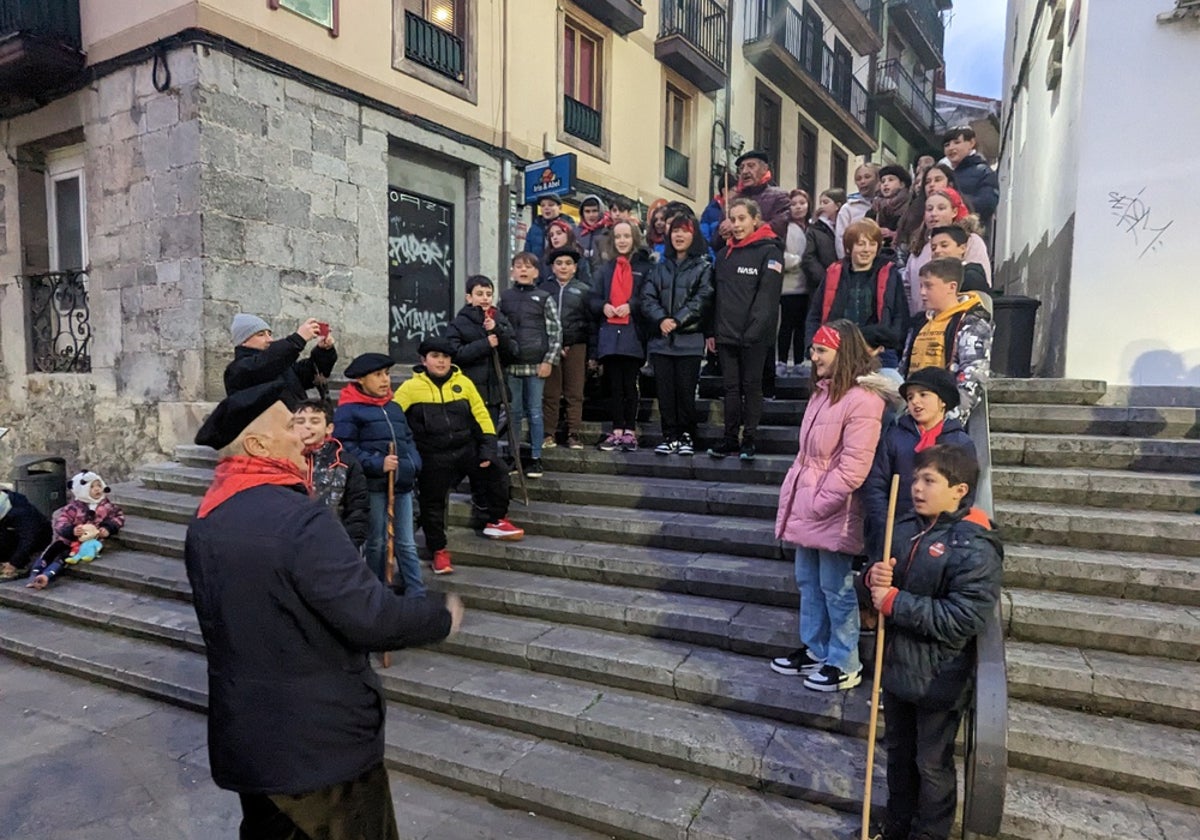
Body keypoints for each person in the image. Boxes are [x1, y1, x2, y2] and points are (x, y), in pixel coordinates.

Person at [185, 380, 463, 840]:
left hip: (250, 743)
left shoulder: (209, 518)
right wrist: (440, 614)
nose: (304, 437)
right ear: (257, 444)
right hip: (320, 751)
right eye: (292, 427)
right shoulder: (300, 518)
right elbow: (371, 617)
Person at [864, 444, 1002, 840]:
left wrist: (895, 601)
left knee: (931, 764)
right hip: (897, 669)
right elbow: (875, 591)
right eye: (915, 478)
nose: (917, 488)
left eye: (929, 480)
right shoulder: (905, 528)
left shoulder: (973, 544)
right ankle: (896, 827)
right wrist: (872, 581)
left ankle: (930, 835)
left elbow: (964, 616)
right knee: (899, 758)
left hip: (938, 677)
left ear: (959, 490)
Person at [772, 321, 896, 691]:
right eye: (813, 350)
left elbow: (854, 466)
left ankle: (845, 660)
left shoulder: (864, 400)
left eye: (820, 350)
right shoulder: (823, 394)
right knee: (808, 581)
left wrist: (820, 502)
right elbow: (807, 456)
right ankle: (816, 649)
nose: (813, 357)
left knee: (835, 586)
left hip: (833, 509)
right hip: (809, 503)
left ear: (842, 353)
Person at [396, 336, 525, 574]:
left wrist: (487, 447)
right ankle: (439, 551)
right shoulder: (409, 389)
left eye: (445, 357)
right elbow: (394, 421)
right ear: (424, 360)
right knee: (432, 503)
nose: (441, 362)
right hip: (432, 455)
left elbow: (482, 416)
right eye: (435, 357)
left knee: (496, 470)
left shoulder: (464, 383)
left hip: (465, 449)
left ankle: (495, 519)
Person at [862, 366, 975, 562]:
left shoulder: (960, 443)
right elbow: (876, 484)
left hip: (940, 538)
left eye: (923, 395)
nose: (916, 402)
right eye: (911, 397)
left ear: (943, 401)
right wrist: (885, 524)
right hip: (893, 531)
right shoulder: (894, 436)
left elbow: (966, 496)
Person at [333, 354, 425, 585]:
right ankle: (375, 587)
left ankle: (416, 590)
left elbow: (407, 438)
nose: (385, 380)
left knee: (406, 542)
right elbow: (345, 448)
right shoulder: (349, 411)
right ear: (361, 380)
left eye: (387, 374)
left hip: (401, 483)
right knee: (376, 541)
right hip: (373, 486)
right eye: (378, 375)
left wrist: (412, 463)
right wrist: (377, 463)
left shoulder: (393, 408)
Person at [707, 197, 783, 461]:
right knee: (730, 389)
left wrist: (753, 332)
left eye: (742, 219)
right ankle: (729, 438)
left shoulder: (770, 251)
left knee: (751, 387)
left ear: (755, 220)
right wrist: (712, 331)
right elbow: (715, 296)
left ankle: (749, 439)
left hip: (753, 337)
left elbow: (767, 298)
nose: (737, 225)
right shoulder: (724, 254)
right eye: (733, 219)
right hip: (725, 334)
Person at [642, 214, 714, 457]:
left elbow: (703, 299)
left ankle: (686, 435)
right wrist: (661, 319)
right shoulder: (658, 267)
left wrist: (677, 320)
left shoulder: (703, 267)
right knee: (665, 393)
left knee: (685, 392)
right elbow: (647, 297)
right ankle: (669, 435)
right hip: (662, 342)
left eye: (684, 231)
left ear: (693, 235)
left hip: (689, 341)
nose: (679, 236)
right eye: (675, 231)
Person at [805, 218, 908, 370]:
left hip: (879, 351)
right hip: (838, 350)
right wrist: (812, 346)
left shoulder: (890, 273)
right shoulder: (834, 273)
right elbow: (815, 314)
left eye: (872, 244)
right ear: (849, 247)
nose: (867, 250)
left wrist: (889, 341)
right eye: (860, 244)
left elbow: (900, 315)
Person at [901, 259, 994, 425]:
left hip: (944, 415)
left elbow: (973, 375)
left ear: (952, 287)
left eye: (929, 286)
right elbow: (904, 366)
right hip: (913, 412)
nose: (922, 292)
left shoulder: (972, 321)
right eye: (921, 286)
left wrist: (952, 417)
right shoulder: (919, 322)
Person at [589, 219, 653, 452]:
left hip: (632, 332)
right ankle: (616, 429)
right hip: (610, 331)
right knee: (613, 384)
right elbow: (593, 298)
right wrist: (604, 306)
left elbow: (648, 296)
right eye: (618, 237)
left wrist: (631, 305)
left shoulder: (644, 267)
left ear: (634, 238)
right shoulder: (605, 269)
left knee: (630, 383)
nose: (622, 241)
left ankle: (630, 429)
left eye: (626, 236)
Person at [499, 252, 561, 479]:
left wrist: (548, 360)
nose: (523, 270)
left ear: (536, 272)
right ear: (512, 271)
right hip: (512, 364)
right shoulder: (505, 298)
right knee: (513, 413)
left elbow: (556, 333)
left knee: (535, 412)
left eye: (528, 267)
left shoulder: (544, 298)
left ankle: (536, 458)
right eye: (518, 266)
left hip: (536, 364)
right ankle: (513, 457)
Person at [26, 471, 125, 591]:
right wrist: (72, 530)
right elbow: (61, 522)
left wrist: (109, 527)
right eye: (92, 487)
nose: (97, 489)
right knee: (51, 550)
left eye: (99, 485)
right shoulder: (74, 507)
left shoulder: (106, 505)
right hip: (68, 539)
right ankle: (34, 574)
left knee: (63, 557)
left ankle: (46, 576)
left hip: (84, 543)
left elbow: (118, 517)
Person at [294, 398, 370, 551]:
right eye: (300, 421)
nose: (306, 426)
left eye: (314, 421)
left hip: (334, 545)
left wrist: (348, 546)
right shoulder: (281, 461)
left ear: (329, 428)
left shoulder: (345, 463)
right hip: (291, 545)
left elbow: (357, 510)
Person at [903, 187, 991, 316]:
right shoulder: (919, 246)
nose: (933, 213)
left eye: (941, 208)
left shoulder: (971, 241)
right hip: (923, 320)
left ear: (954, 211)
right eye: (929, 209)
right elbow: (908, 287)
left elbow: (980, 284)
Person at [446, 275, 519, 426]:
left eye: (489, 294)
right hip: (468, 391)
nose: (485, 298)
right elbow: (455, 354)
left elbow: (513, 352)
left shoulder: (500, 320)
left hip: (493, 393)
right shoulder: (459, 323)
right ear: (469, 297)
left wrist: (497, 331)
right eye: (479, 294)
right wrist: (485, 344)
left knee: (490, 436)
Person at [540, 247, 591, 450]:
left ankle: (573, 433)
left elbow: (589, 322)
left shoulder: (584, 290)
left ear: (575, 267)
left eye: (568, 264)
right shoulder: (544, 290)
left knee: (574, 391)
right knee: (551, 392)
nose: (563, 267)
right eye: (559, 263)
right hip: (551, 346)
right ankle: (548, 433)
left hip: (576, 345)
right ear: (552, 267)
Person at [224, 314, 337, 403]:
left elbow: (310, 373)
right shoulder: (237, 370)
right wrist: (298, 339)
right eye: (261, 334)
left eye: (269, 334)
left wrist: (324, 351)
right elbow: (265, 364)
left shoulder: (280, 364)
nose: (270, 339)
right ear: (243, 341)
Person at [708, 150, 791, 250]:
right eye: (741, 168)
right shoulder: (733, 201)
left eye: (751, 166)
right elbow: (716, 243)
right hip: (736, 258)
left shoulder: (779, 197)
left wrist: (738, 225)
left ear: (764, 169)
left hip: (765, 257)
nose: (745, 171)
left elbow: (777, 230)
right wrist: (723, 233)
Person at [777, 189, 811, 375]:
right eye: (794, 204)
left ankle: (799, 361)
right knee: (787, 325)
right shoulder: (785, 228)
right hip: (789, 286)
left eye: (802, 203)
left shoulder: (812, 226)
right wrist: (799, 261)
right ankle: (782, 361)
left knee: (801, 327)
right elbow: (780, 255)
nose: (798, 207)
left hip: (807, 286)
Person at [943, 126, 999, 233]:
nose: (951, 148)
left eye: (957, 142)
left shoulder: (984, 172)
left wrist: (955, 204)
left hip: (971, 234)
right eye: (947, 145)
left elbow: (987, 203)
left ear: (971, 143)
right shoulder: (943, 173)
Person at [801, 187, 844, 299]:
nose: (822, 206)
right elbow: (809, 257)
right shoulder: (815, 229)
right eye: (821, 203)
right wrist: (824, 277)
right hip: (821, 284)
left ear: (837, 205)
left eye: (826, 202)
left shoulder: (846, 225)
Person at [0, 489, 52, 581]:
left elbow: (28, 539)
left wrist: (14, 563)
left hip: (36, 543)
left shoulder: (22, 512)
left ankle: (19, 565)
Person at [928, 225, 990, 295]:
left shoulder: (971, 278)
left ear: (962, 248)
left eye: (944, 245)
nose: (937, 251)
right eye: (933, 248)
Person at [835, 164, 880, 259]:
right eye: (858, 179)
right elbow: (840, 238)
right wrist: (846, 262)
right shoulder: (848, 208)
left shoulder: (885, 206)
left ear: (877, 179)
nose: (862, 182)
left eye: (867, 177)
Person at [867, 164, 913, 253]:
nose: (885, 184)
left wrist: (894, 234)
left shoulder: (911, 207)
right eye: (883, 181)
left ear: (902, 184)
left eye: (891, 180)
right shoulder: (874, 209)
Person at [539, 218, 592, 286]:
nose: (555, 237)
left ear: (568, 234)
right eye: (551, 235)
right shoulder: (545, 260)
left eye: (559, 233)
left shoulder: (579, 258)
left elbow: (586, 284)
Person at [576, 194, 614, 276]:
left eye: (594, 211)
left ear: (600, 211)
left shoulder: (609, 231)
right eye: (587, 211)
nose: (591, 215)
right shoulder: (575, 233)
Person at [525, 194, 571, 258]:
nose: (546, 208)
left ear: (559, 207)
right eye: (542, 205)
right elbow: (527, 253)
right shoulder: (533, 229)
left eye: (551, 205)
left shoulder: (570, 226)